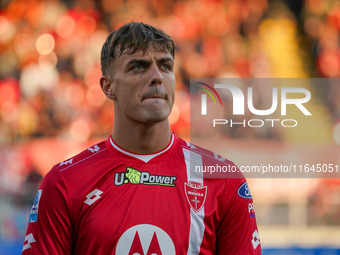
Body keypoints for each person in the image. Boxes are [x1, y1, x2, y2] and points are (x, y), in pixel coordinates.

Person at [22, 22, 261, 255]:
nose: (157, 76)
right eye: (138, 66)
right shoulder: (65, 183)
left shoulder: (224, 180)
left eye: (166, 66)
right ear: (108, 87)